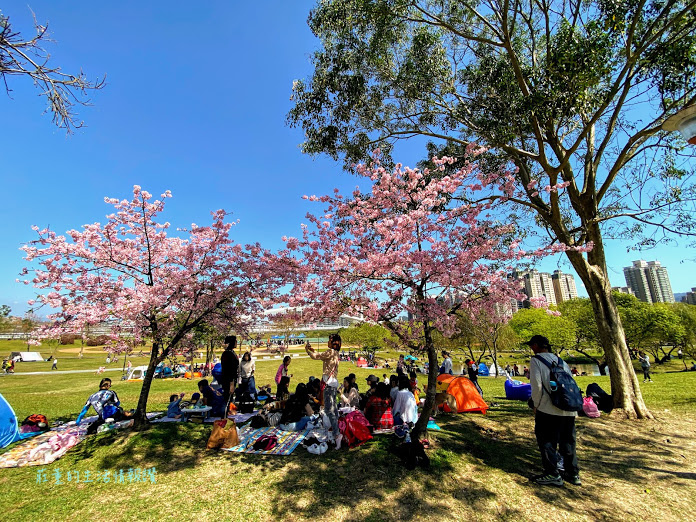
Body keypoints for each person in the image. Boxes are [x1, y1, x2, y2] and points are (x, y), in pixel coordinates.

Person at [527, 334, 580, 487]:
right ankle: (573, 473)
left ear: (536, 345)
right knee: (568, 441)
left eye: (532, 345)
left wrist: (536, 405)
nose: (531, 348)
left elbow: (536, 386)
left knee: (547, 441)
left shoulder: (536, 361)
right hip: (568, 408)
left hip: (548, 409)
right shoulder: (561, 361)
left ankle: (552, 473)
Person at [305, 334, 341, 447]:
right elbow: (321, 356)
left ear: (334, 342)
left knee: (329, 410)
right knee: (334, 408)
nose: (328, 342)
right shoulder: (335, 353)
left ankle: (336, 434)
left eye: (329, 340)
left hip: (328, 384)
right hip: (333, 383)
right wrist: (313, 349)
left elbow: (316, 356)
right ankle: (337, 430)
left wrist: (307, 351)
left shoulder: (330, 352)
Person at [220, 335, 240, 409]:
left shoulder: (231, 352)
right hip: (228, 380)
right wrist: (231, 384)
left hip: (232, 379)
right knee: (228, 398)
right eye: (235, 341)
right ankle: (225, 414)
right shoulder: (228, 354)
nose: (236, 343)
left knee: (230, 398)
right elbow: (229, 370)